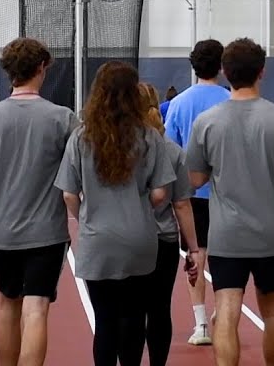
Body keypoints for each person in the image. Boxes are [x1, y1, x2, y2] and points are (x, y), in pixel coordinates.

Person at [184, 37, 274, 366]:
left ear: (226, 73)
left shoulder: (207, 122)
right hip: (272, 236)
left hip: (226, 237)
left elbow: (194, 180)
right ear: (262, 72)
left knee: (226, 313)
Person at [0, 38, 79, 366]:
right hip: (47, 233)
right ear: (41, 69)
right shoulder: (63, 118)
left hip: (3, 233)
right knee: (36, 309)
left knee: (8, 304)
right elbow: (77, 172)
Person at [56, 61, 177, 366]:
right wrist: (139, 206)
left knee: (106, 321)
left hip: (98, 238)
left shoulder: (81, 138)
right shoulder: (150, 138)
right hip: (140, 238)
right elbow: (162, 192)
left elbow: (69, 193)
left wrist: (84, 213)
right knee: (134, 317)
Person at [164, 39, 230, 347]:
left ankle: (201, 322)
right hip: (227, 193)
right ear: (221, 66)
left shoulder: (178, 105)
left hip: (192, 194)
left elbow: (172, 152)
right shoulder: (232, 100)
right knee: (226, 256)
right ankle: (223, 314)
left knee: (196, 255)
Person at [140, 81, 200, 366]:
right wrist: (193, 249)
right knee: (160, 308)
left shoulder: (119, 146)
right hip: (164, 239)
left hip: (131, 237)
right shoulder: (172, 150)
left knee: (131, 310)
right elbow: (181, 204)